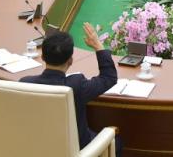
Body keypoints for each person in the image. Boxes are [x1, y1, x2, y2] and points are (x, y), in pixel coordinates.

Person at [20, 23, 121, 155]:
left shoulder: (24, 83)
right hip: (75, 149)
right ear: (70, 60)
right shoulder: (77, 85)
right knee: (117, 142)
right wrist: (98, 45)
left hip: (35, 147)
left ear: (43, 57)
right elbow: (108, 77)